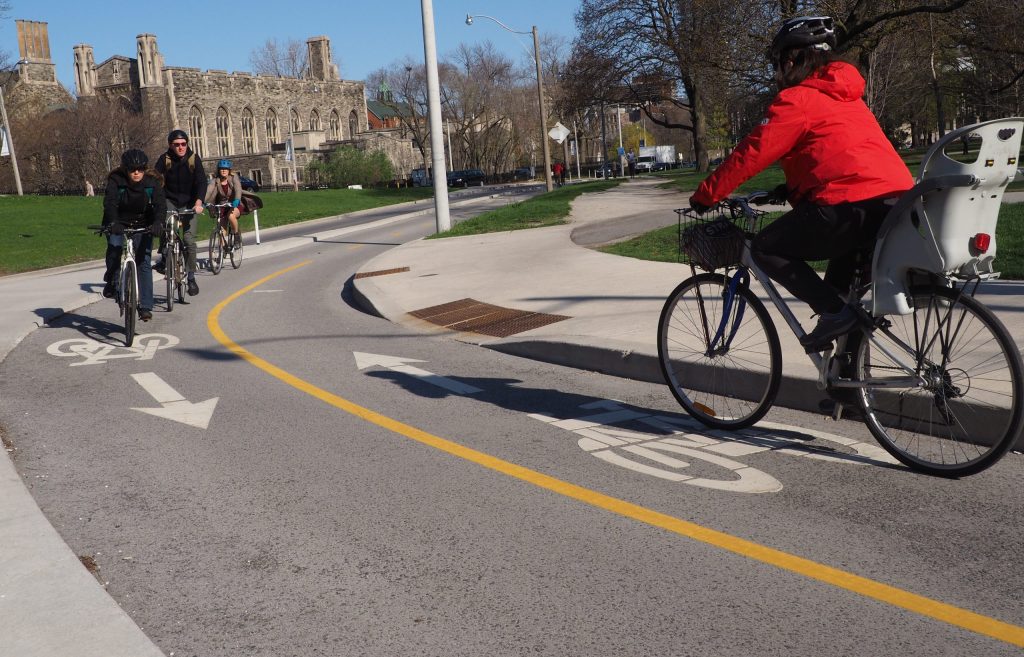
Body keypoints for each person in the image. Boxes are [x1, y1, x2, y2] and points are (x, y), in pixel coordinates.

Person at [689, 15, 913, 353]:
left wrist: (706, 196)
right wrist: (790, 190)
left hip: (848, 207)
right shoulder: (848, 98)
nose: (777, 72)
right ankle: (849, 395)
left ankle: (837, 315)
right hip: (892, 207)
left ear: (793, 58)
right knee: (843, 297)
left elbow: (752, 152)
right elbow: (839, 157)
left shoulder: (798, 100)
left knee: (766, 249)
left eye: (778, 63)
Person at [101, 149, 166, 322]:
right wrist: (113, 223)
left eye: (140, 169)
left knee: (143, 261)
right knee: (114, 248)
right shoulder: (116, 181)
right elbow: (110, 203)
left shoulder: (152, 183)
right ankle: (112, 282)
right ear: (125, 169)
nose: (136, 172)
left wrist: (158, 222)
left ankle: (145, 306)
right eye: (132, 169)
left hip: (143, 223)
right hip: (118, 221)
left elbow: (160, 205)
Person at [153, 129, 206, 296]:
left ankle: (190, 277)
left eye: (184, 144)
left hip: (189, 202)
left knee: (189, 240)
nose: (181, 147)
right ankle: (163, 256)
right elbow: (155, 180)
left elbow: (202, 181)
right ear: (171, 145)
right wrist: (158, 202)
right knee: (166, 225)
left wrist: (199, 202)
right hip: (170, 200)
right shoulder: (164, 159)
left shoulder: (193, 159)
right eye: (177, 144)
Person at [204, 158, 242, 250]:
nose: (223, 170)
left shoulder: (233, 177)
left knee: (231, 216)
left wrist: (237, 199)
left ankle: (236, 236)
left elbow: (238, 188)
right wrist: (202, 201)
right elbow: (208, 191)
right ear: (218, 170)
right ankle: (222, 250)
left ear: (229, 170)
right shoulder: (215, 181)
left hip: (234, 204)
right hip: (222, 206)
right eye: (221, 169)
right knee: (221, 227)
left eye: (225, 169)